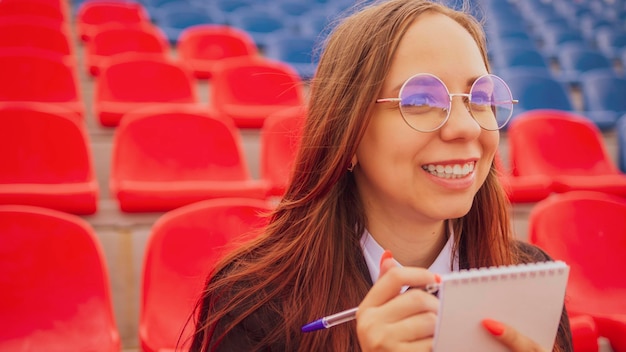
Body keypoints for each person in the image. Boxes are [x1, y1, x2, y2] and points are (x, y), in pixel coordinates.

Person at [189, 0, 573, 351]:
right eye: (420, 100)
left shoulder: (528, 280)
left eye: (480, 98)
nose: (467, 127)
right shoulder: (253, 300)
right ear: (349, 133)